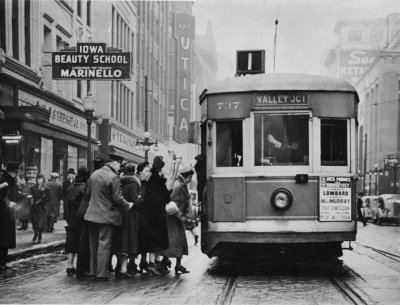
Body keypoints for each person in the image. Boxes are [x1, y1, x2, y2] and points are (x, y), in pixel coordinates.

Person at [84, 154, 134, 281]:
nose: (120, 169)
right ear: (114, 164)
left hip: (91, 215)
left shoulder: (94, 174)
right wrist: (128, 205)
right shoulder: (113, 177)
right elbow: (118, 198)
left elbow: (88, 193)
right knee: (104, 244)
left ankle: (93, 272)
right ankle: (101, 274)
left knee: (93, 245)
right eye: (119, 166)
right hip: (106, 216)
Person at [76, 157, 105, 278]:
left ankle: (83, 268)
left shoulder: (92, 177)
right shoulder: (96, 177)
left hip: (85, 212)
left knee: (85, 242)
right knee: (88, 242)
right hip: (90, 213)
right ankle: (86, 268)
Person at [113, 163, 143, 278]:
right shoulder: (134, 184)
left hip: (119, 215)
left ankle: (118, 266)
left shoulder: (120, 182)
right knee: (128, 242)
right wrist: (140, 199)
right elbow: (136, 201)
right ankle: (124, 269)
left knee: (121, 241)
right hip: (130, 216)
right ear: (134, 171)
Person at [162, 166, 193, 275]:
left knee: (178, 241)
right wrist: (182, 217)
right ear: (188, 177)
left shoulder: (181, 184)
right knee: (174, 241)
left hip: (177, 217)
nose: (190, 180)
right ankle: (166, 262)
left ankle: (173, 263)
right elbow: (172, 203)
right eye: (190, 178)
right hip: (173, 218)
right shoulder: (178, 185)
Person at [142, 155, 170, 275]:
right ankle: (153, 265)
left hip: (150, 215)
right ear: (160, 168)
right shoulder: (158, 180)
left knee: (153, 241)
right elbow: (166, 196)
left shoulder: (151, 180)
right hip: (157, 216)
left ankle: (154, 264)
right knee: (157, 241)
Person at [64, 167, 89, 276]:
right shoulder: (85, 188)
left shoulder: (71, 187)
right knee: (81, 242)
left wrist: (68, 216)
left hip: (72, 217)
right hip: (82, 217)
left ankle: (70, 264)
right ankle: (81, 267)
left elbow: (67, 204)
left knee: (71, 240)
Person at [135, 161, 151, 273]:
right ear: (140, 172)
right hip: (138, 216)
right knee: (136, 240)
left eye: (148, 171)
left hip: (146, 217)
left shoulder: (147, 184)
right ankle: (132, 262)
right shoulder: (137, 184)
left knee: (145, 240)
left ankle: (144, 261)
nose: (148, 173)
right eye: (146, 171)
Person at [0, 172, 17, 272]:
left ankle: (3, 262)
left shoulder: (8, 180)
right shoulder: (3, 180)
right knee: (2, 241)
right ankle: (1, 263)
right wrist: (8, 203)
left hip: (7, 215)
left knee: (5, 242)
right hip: (2, 215)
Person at [30, 174, 50, 244]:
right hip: (35, 207)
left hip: (42, 207)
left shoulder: (46, 188)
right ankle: (35, 233)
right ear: (37, 180)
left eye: (41, 179)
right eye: (38, 179)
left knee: (41, 223)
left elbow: (48, 198)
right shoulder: (32, 187)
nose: (40, 181)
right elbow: (32, 195)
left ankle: (40, 236)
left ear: (43, 180)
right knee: (35, 222)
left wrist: (42, 201)